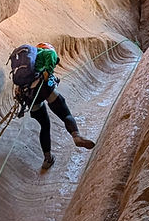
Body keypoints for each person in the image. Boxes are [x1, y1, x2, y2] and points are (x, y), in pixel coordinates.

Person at [9, 42, 95, 170]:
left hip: (28, 96)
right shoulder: (48, 52)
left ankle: (47, 158)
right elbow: (50, 64)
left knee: (45, 125)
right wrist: (49, 71)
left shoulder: (26, 63)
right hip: (43, 88)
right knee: (64, 113)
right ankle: (76, 136)